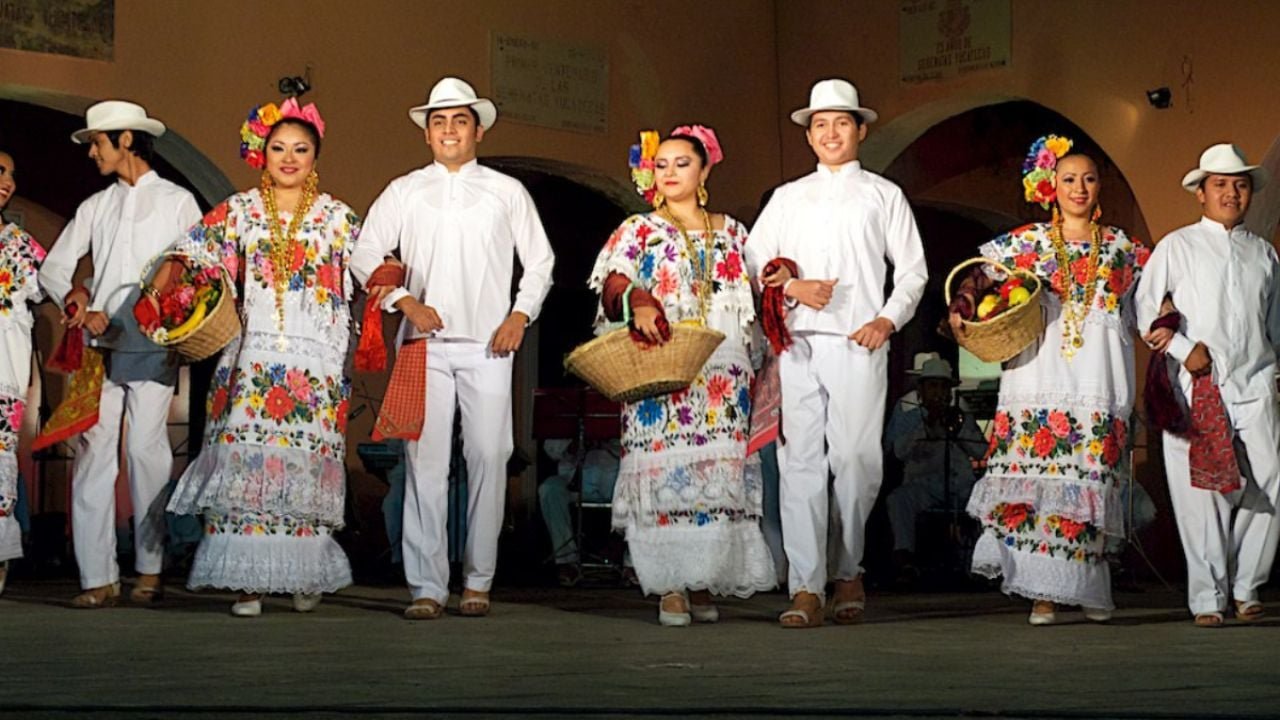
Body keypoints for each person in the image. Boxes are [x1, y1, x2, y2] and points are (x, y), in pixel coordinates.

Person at [350, 77, 555, 620]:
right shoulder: (405, 190)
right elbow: (364, 251)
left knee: (490, 455)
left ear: (478, 129)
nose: (448, 130)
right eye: (438, 121)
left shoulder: (506, 191)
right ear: (426, 133)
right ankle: (427, 585)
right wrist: (402, 300)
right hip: (423, 344)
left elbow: (540, 262)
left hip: (490, 341)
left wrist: (520, 313)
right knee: (424, 461)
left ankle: (479, 579)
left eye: (458, 120)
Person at [158, 98, 358, 616]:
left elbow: (374, 265)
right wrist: (163, 291)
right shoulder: (240, 210)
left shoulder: (337, 218)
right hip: (251, 357)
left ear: (316, 157)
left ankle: (303, 573)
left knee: (304, 468)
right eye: (278, 148)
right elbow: (190, 256)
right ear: (261, 154)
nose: (289, 158)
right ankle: (248, 582)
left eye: (301, 149)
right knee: (247, 460)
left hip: (316, 362)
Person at [744, 79, 927, 628]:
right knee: (799, 462)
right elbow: (754, 263)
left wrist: (886, 319)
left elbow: (913, 270)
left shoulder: (882, 194)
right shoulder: (787, 197)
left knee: (855, 459)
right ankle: (806, 585)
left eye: (841, 123)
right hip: (797, 343)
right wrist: (791, 289)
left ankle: (848, 566)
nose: (830, 133)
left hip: (857, 340)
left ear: (860, 130)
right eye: (820, 124)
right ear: (808, 134)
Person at [948, 135, 1149, 625]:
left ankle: (1089, 587)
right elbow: (976, 282)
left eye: (1088, 178)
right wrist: (960, 311)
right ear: (1050, 186)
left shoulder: (1124, 249)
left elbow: (1157, 298)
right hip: (1039, 375)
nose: (1079, 188)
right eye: (1068, 179)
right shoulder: (1027, 243)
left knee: (1090, 478)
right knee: (1041, 481)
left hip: (1099, 380)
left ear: (1100, 186)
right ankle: (1043, 591)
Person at [590, 125, 775, 626]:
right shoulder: (639, 229)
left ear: (705, 169)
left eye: (682, 163)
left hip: (724, 375)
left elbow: (761, 285)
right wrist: (638, 301)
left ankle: (702, 579)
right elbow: (613, 281)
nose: (670, 172)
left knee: (715, 478)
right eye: (662, 164)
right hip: (662, 367)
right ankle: (669, 583)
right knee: (665, 474)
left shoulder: (733, 231)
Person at [39, 101, 201, 608]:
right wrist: (77, 298)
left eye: (97, 142)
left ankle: (150, 568)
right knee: (92, 454)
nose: (92, 153)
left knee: (145, 452)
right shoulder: (95, 206)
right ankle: (97, 575)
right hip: (97, 344)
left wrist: (167, 304)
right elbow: (55, 268)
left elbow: (200, 266)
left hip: (153, 344)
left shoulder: (178, 201)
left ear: (126, 140)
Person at [1135, 143, 1278, 627]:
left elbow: (1274, 322)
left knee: (1272, 480)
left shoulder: (1264, 252)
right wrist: (1181, 350)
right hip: (1199, 385)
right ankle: (1206, 598)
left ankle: (1246, 584)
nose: (1231, 192)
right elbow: (1143, 310)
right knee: (1202, 493)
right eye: (1220, 184)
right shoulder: (1177, 246)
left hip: (1257, 381)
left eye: (1239, 185)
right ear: (1201, 193)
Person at [884, 357, 986, 579]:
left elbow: (980, 451)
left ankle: (979, 565)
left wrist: (957, 431)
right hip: (923, 483)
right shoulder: (906, 412)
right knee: (898, 500)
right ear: (921, 389)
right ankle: (905, 559)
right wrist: (925, 427)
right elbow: (897, 452)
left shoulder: (960, 411)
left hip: (959, 482)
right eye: (932, 386)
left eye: (943, 386)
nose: (938, 392)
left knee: (984, 501)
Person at [0, 149, 46, 596]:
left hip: (4, 367)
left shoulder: (20, 246)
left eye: (12, 174)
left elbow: (57, 283)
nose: (8, 181)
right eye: (0, 171)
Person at [537, 437, 623, 585]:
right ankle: (566, 561)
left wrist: (607, 440)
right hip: (575, 482)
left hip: (616, 483)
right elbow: (550, 449)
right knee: (550, 489)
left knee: (641, 490)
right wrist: (572, 444)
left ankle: (632, 563)